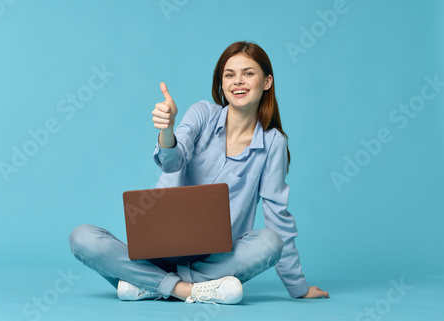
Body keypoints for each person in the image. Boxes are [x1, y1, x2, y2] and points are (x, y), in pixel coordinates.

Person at [68, 41, 329, 304]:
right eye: (229, 75)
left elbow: (278, 218)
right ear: (222, 83)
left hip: (216, 260)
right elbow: (171, 162)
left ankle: (149, 284)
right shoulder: (203, 113)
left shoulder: (273, 143)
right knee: (82, 238)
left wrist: (298, 288)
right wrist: (167, 130)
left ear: (267, 82)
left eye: (248, 73)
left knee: (270, 242)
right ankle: (189, 290)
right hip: (157, 251)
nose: (238, 81)